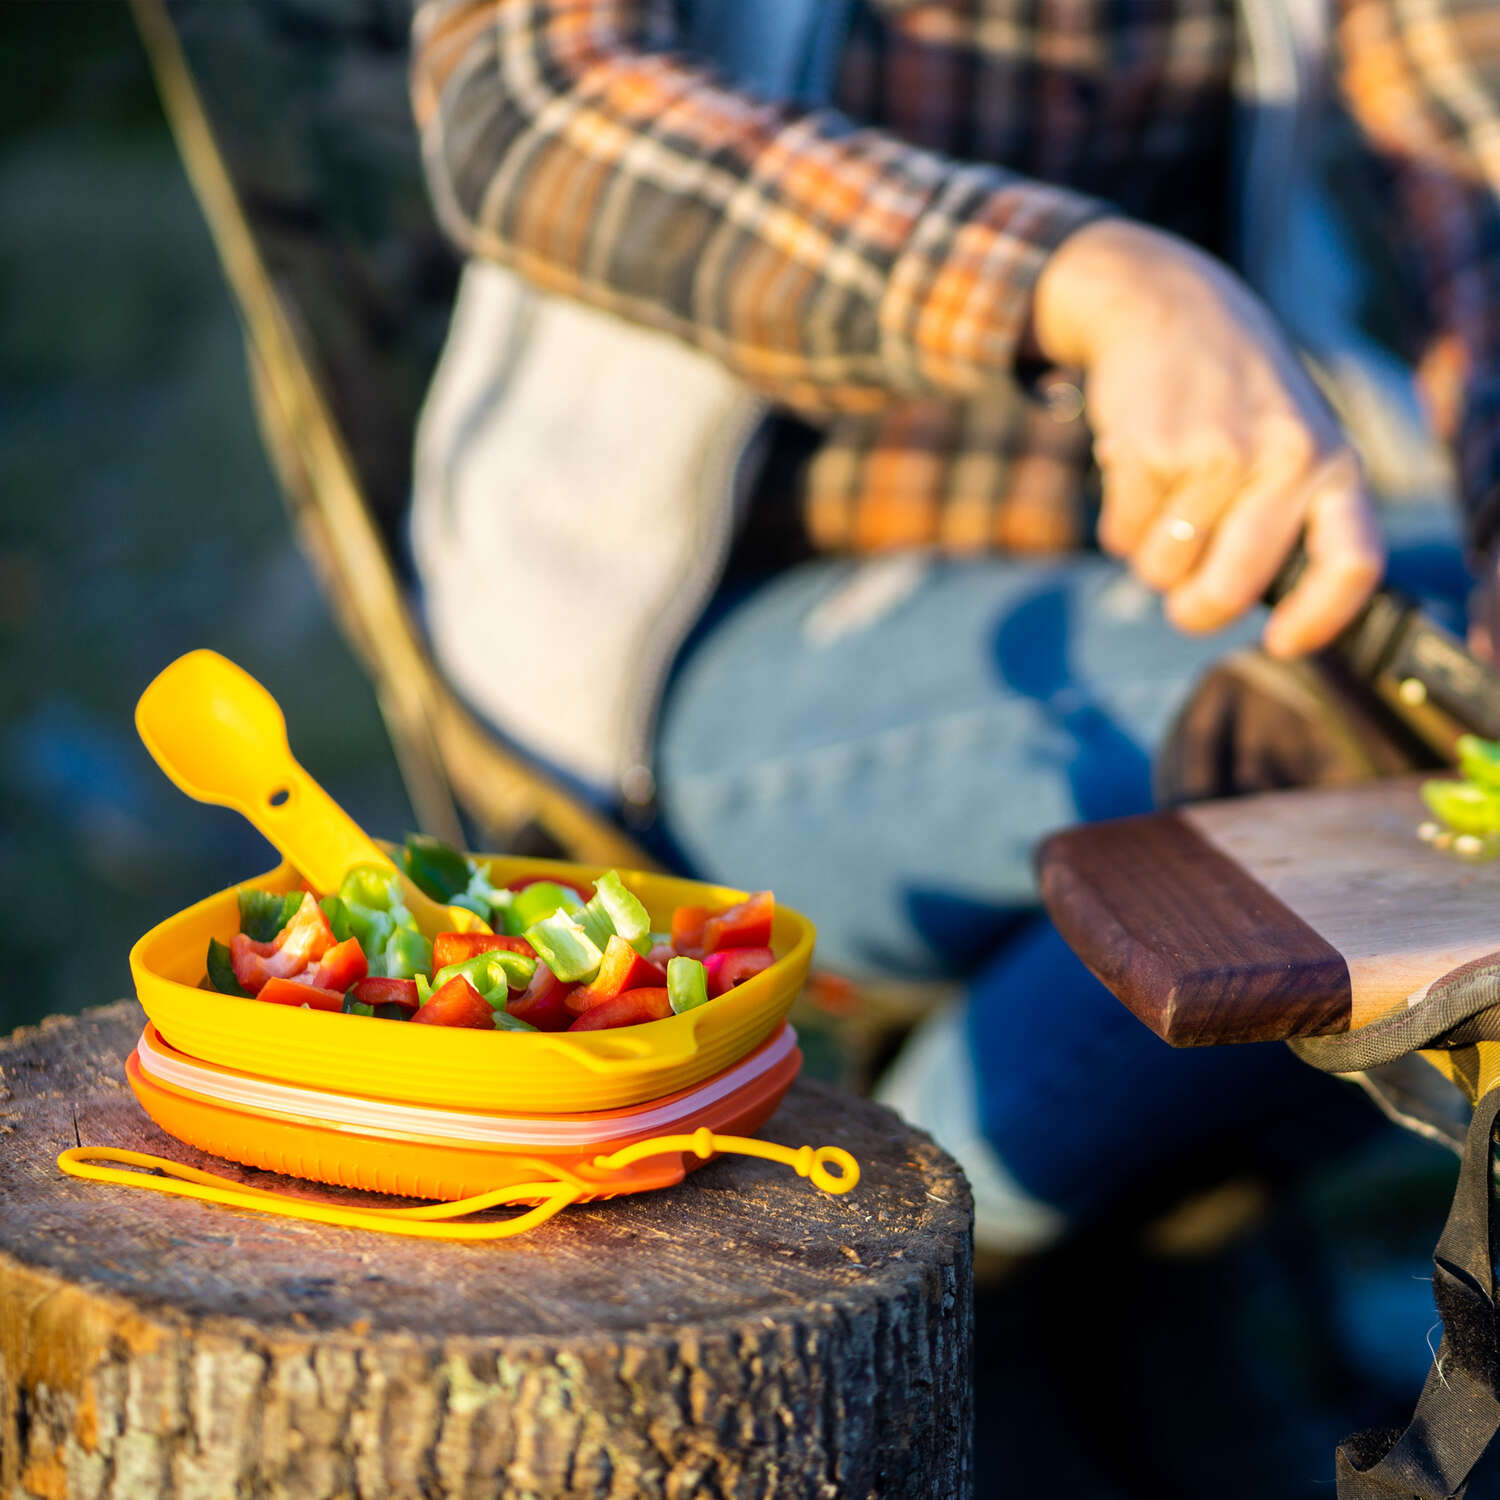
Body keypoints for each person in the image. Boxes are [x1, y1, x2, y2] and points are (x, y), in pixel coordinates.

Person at [404, 0, 1498, 1250]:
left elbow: (1479, 138)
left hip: (1157, 594)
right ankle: (855, 1242)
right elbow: (530, 105)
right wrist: (1085, 280)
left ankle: (923, 1231)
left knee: (1383, 753)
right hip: (715, 643)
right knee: (1349, 730)